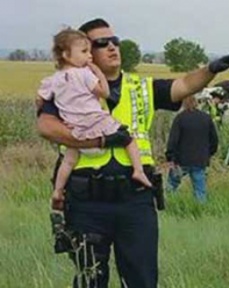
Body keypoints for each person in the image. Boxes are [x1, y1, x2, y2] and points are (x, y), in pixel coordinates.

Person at [35, 18, 229, 288]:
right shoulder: (67, 84)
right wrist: (99, 141)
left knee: (142, 283)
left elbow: (184, 85)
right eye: (101, 43)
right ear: (84, 52)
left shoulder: (141, 87)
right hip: (87, 201)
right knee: (90, 284)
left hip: (135, 200)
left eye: (114, 40)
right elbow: (46, 127)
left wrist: (211, 69)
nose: (112, 46)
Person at [39, 28, 153, 210]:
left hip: (75, 131)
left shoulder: (54, 79)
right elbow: (104, 92)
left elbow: (41, 98)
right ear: (67, 55)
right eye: (84, 52)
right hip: (96, 124)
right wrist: (98, 72)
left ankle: (58, 191)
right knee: (128, 138)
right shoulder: (85, 74)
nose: (89, 56)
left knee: (68, 161)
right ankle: (138, 171)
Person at [165, 95, 219, 203]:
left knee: (171, 185)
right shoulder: (206, 118)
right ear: (197, 103)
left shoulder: (180, 118)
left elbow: (173, 140)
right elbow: (214, 140)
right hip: (200, 160)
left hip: (181, 160)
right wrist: (208, 154)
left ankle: (168, 207)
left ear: (184, 104)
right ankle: (199, 211)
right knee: (200, 190)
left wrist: (170, 157)